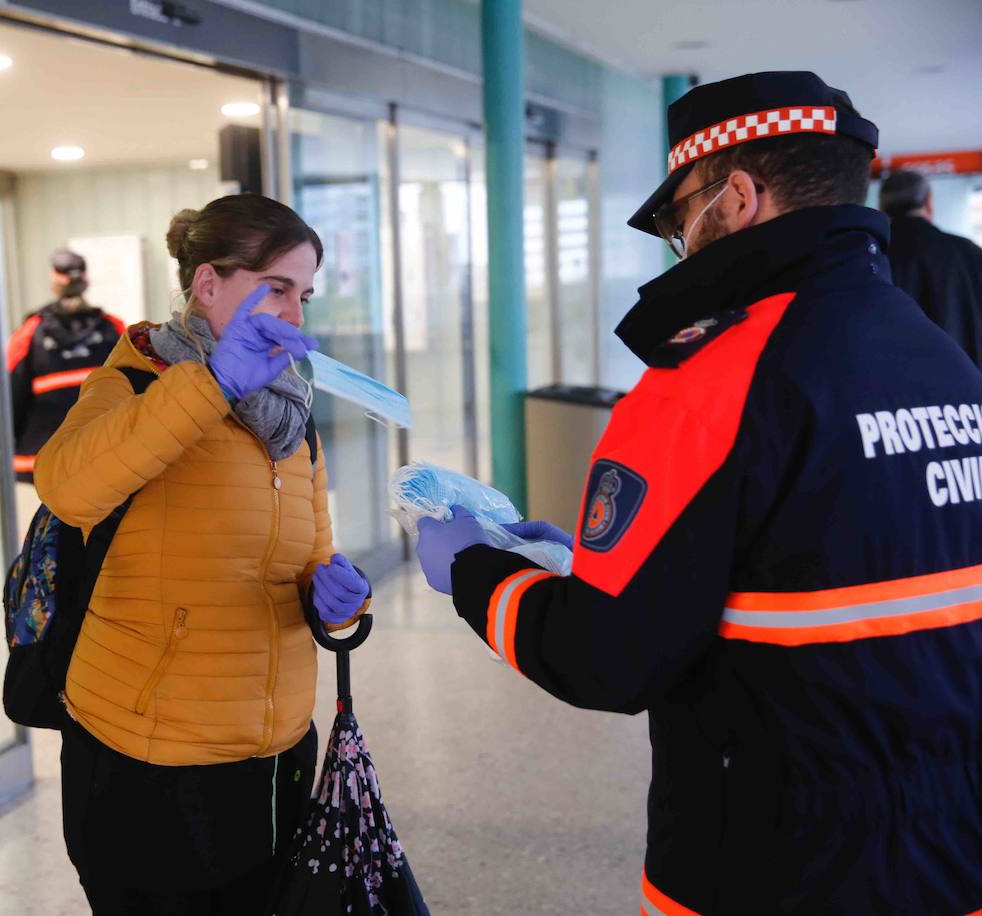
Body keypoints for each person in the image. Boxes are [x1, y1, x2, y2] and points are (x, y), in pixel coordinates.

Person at [415, 72, 982, 914]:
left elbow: (605, 656)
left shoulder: (708, 379)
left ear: (739, 197)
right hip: (951, 851)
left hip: (769, 865)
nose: (682, 241)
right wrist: (610, 565)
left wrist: (477, 571)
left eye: (681, 215)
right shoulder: (945, 364)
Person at [32, 195, 372, 913]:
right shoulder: (133, 384)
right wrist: (213, 386)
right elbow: (67, 487)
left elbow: (310, 556)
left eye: (303, 295)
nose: (295, 316)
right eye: (275, 288)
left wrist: (337, 599)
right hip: (148, 759)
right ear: (207, 284)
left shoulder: (291, 419)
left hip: (274, 752)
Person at [7, 249, 126, 482]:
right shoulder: (114, 329)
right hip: (100, 458)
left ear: (55, 282)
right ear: (85, 281)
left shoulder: (29, 333)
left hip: (40, 463)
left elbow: (11, 399)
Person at [879, 169, 982, 368]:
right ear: (928, 202)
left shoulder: (873, 253)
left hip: (900, 387)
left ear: (882, 207)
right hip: (970, 384)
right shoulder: (969, 252)